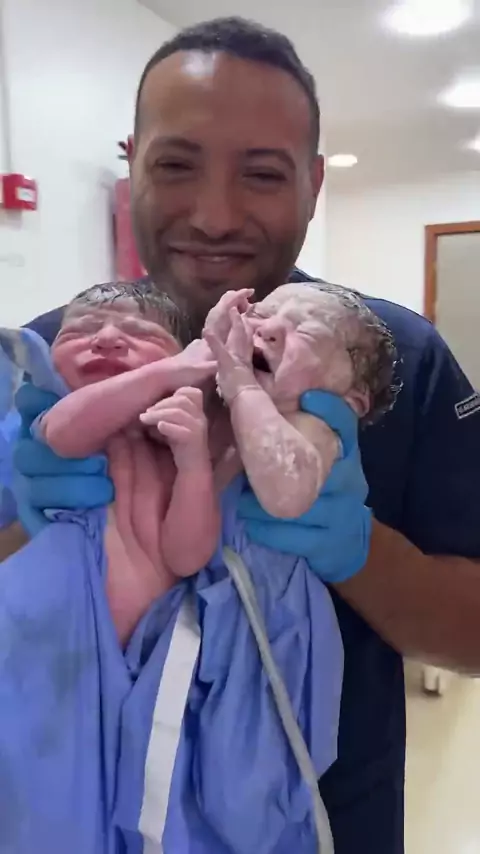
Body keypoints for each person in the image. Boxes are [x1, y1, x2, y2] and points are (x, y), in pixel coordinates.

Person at [2, 16, 480, 854]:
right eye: (176, 165)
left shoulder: (394, 361)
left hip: (327, 820)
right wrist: (35, 530)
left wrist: (357, 548)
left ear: (314, 184)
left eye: (261, 173)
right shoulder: (41, 362)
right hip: (70, 816)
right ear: (133, 164)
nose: (214, 215)